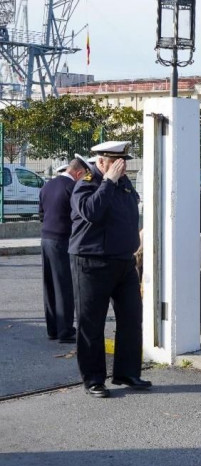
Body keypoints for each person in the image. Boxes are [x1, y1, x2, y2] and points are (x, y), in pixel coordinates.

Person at [69, 141, 149, 398]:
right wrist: (108, 182)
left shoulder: (124, 183)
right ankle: (94, 379)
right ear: (101, 161)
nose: (122, 167)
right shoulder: (87, 183)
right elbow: (92, 212)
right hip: (92, 262)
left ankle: (127, 372)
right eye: (117, 162)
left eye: (124, 162)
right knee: (91, 323)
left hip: (124, 261)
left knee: (131, 318)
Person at [39, 157, 89, 343]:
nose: (83, 179)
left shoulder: (47, 186)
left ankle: (52, 329)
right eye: (83, 175)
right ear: (78, 173)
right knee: (65, 287)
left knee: (50, 285)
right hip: (63, 240)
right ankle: (65, 331)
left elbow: (41, 213)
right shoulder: (72, 187)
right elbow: (79, 216)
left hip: (46, 239)